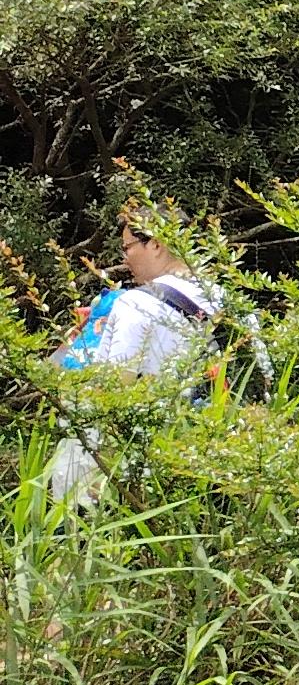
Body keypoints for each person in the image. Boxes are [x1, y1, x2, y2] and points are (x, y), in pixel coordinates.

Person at [46, 206, 227, 503]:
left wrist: (74, 360)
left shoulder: (135, 304)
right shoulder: (232, 303)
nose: (125, 258)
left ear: (155, 244)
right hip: (213, 459)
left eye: (128, 247)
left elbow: (112, 392)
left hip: (138, 469)